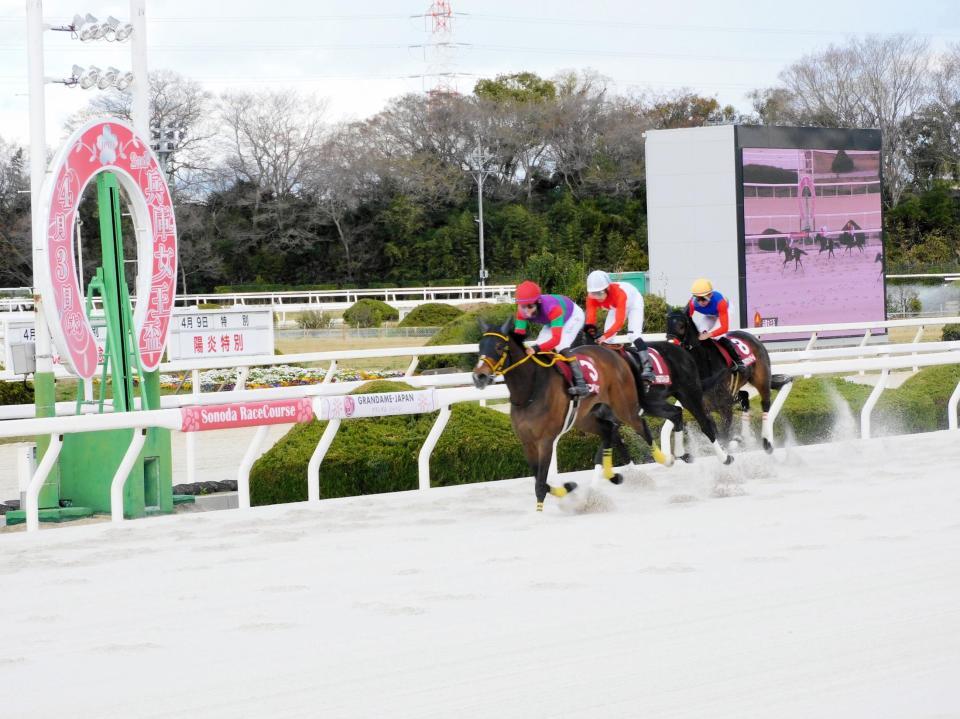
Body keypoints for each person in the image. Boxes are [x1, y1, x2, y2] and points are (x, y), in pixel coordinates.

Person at [513, 280, 590, 397]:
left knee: (561, 345)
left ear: (538, 303)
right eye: (523, 307)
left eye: (530, 306)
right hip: (552, 320)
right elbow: (518, 338)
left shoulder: (553, 308)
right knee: (540, 344)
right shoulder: (521, 312)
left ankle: (581, 384)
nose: (527, 312)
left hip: (572, 316)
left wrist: (535, 348)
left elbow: (556, 340)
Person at [583, 270, 655, 382]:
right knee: (608, 339)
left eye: (600, 293)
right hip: (615, 306)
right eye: (594, 294)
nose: (598, 297)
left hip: (633, 302)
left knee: (633, 335)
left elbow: (619, 322)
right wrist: (591, 333)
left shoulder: (619, 294)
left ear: (608, 288)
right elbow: (590, 319)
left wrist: (603, 336)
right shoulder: (591, 298)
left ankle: (648, 368)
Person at [687, 278, 745, 375]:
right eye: (698, 298)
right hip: (710, 315)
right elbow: (687, 320)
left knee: (717, 336)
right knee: (700, 334)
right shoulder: (692, 304)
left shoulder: (719, 301)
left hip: (725, 311)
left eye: (703, 298)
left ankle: (738, 361)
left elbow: (724, 328)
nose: (700, 302)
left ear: (710, 294)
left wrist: (709, 334)